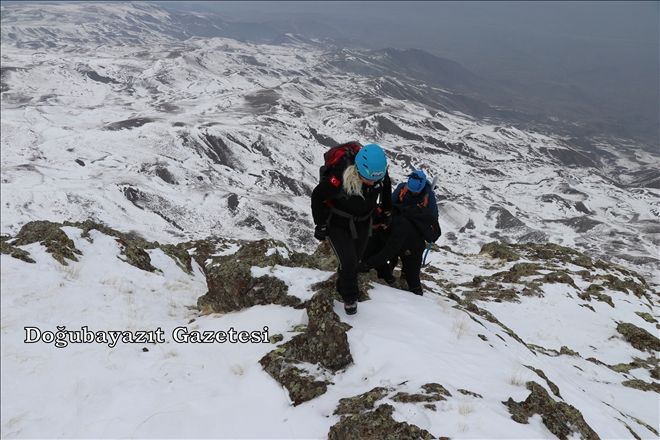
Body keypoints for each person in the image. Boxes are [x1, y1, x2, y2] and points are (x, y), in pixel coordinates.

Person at [311, 143, 392, 315]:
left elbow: (385, 190)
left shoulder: (379, 175)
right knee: (349, 262)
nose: (372, 182)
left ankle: (342, 284)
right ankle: (350, 297)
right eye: (368, 178)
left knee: (355, 260)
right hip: (337, 223)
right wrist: (320, 224)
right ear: (359, 168)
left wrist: (386, 212)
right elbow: (318, 196)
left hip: (363, 222)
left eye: (375, 179)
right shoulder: (340, 174)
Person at [359, 169, 440, 296]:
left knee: (412, 276)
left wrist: (366, 265)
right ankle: (391, 276)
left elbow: (389, 250)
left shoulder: (428, 197)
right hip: (401, 230)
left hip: (412, 243)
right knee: (381, 244)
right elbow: (389, 204)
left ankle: (419, 298)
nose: (413, 193)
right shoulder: (403, 189)